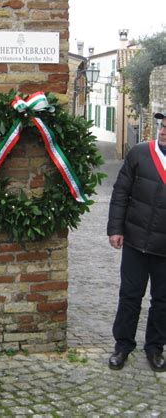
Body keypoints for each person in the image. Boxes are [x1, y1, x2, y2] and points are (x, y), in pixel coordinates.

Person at [107, 112, 166, 372]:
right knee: (130, 295)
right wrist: (115, 229)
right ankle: (122, 346)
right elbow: (121, 193)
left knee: (163, 300)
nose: (163, 131)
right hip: (135, 242)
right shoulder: (140, 153)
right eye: (163, 126)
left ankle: (155, 348)